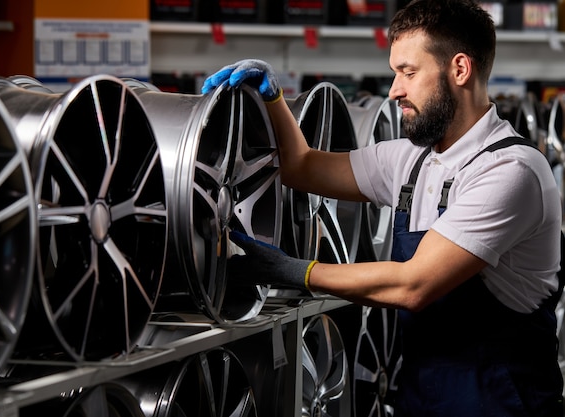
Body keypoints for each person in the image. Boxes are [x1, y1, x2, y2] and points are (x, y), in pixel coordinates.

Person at [201, 0, 564, 415]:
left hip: (503, 406)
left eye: (408, 73)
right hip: (422, 399)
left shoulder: (511, 170)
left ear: (459, 69)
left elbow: (413, 285)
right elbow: (301, 167)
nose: (394, 90)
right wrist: (273, 99)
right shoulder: (411, 159)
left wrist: (289, 271)